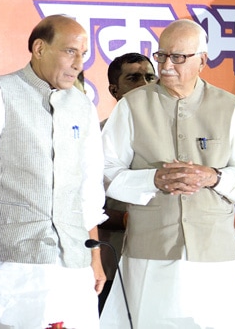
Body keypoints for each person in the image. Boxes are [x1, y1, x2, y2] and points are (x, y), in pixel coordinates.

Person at [0, 15, 106, 328]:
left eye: (83, 55)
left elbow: (89, 192)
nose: (78, 64)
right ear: (39, 48)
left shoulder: (82, 106)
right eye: (70, 51)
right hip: (5, 262)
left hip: (70, 262)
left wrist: (94, 258)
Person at [100, 19, 235, 328]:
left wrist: (214, 176)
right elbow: (103, 172)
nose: (166, 65)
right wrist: (152, 179)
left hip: (217, 255)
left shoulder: (227, 107)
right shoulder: (132, 106)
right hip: (150, 253)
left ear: (202, 60)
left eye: (178, 57)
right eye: (161, 56)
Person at [97, 52, 157, 311]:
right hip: (112, 262)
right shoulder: (96, 134)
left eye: (150, 77)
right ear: (114, 89)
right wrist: (125, 219)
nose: (144, 84)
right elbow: (78, 201)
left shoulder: (171, 133)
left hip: (160, 262)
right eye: (133, 78)